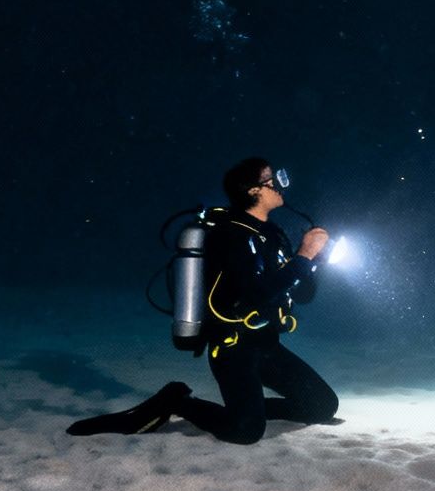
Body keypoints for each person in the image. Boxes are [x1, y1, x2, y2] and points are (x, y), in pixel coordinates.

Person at [67, 157, 338, 443]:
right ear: (253, 191)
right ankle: (177, 402)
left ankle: (247, 410)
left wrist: (311, 261)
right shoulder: (228, 236)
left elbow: (303, 295)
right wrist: (304, 256)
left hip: (267, 345)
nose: (281, 185)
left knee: (322, 406)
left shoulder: (272, 235)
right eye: (272, 180)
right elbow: (255, 294)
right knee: (245, 432)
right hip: (234, 349)